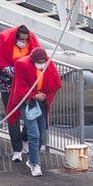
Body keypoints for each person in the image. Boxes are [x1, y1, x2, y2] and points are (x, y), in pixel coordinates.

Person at [7, 48, 61, 177]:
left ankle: (32, 157)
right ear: (33, 60)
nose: (41, 64)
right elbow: (20, 86)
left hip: (41, 103)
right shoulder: (22, 65)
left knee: (41, 135)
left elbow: (55, 82)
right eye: (39, 62)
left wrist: (44, 96)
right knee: (34, 134)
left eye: (43, 61)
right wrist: (33, 95)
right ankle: (35, 164)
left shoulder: (48, 65)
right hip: (27, 103)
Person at [0, 25, 42, 162]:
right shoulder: (5, 45)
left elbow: (37, 62)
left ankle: (26, 140)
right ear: (16, 38)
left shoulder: (32, 44)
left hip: (26, 88)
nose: (23, 42)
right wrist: (21, 71)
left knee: (31, 114)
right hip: (8, 87)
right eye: (21, 39)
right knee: (12, 117)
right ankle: (17, 148)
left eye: (25, 40)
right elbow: (2, 67)